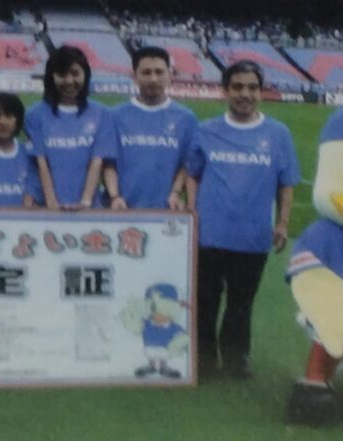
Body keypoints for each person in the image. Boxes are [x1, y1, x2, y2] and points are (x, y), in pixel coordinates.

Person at [181, 60, 298, 379]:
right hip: (209, 232)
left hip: (252, 235)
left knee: (241, 303)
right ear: (225, 91)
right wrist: (193, 210)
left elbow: (286, 183)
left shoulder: (278, 134)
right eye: (237, 87)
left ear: (260, 91)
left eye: (252, 87)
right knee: (206, 301)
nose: (245, 94)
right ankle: (203, 359)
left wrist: (283, 223)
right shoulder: (206, 130)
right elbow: (192, 173)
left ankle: (236, 359)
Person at [101, 44, 199, 211]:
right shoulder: (115, 116)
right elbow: (108, 164)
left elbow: (187, 164)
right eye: (146, 72)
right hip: (122, 209)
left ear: (170, 75)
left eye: (159, 72)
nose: (153, 79)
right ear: (134, 76)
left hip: (166, 211)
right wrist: (114, 196)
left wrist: (176, 192)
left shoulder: (186, 118)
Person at [23, 44, 114, 211]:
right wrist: (51, 203)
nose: (69, 81)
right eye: (62, 75)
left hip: (90, 208)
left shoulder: (102, 113)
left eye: (75, 74)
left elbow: (97, 160)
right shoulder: (34, 114)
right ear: (51, 76)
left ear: (85, 74)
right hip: (47, 207)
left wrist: (86, 202)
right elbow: (41, 161)